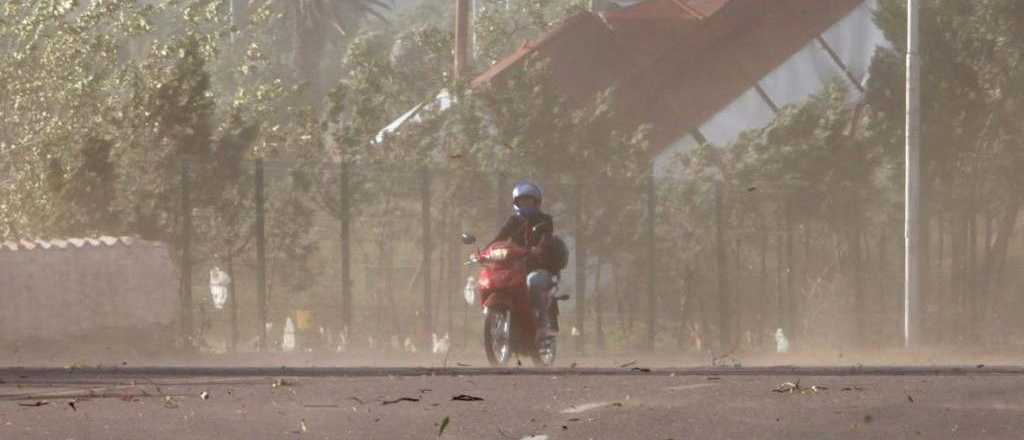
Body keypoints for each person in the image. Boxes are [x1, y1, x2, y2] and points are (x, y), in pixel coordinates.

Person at [489, 181, 561, 341]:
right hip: (516, 267)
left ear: (536, 202)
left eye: (529, 201)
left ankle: (543, 326)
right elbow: (499, 237)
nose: (526, 204)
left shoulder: (545, 220)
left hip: (540, 267)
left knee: (532, 282)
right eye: (522, 201)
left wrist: (538, 249)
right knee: (499, 280)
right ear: (516, 203)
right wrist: (485, 252)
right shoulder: (513, 221)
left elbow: (546, 238)